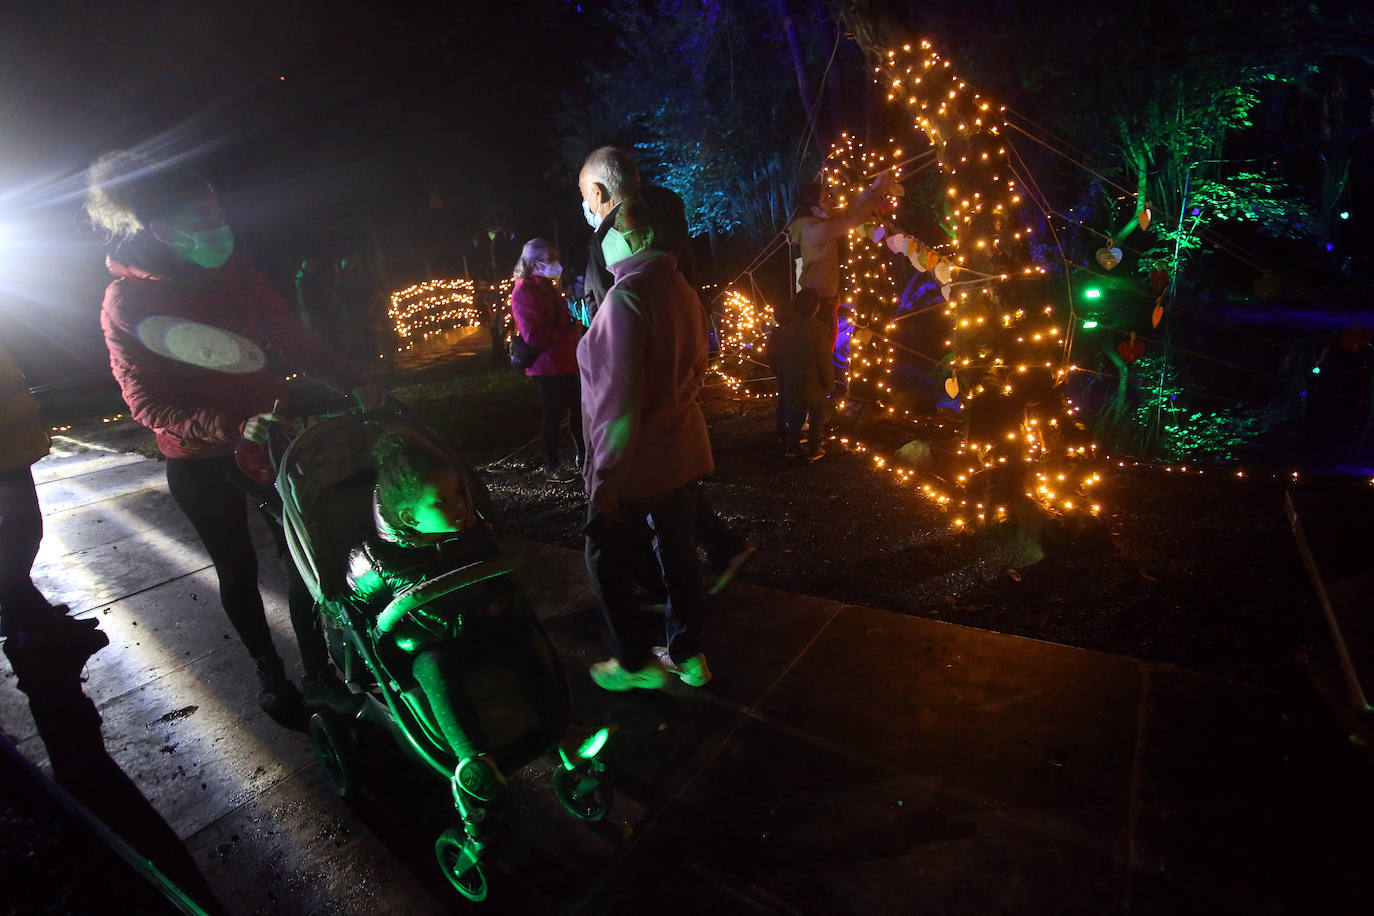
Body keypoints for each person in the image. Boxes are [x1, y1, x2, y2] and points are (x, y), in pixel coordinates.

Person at [85, 150, 374, 717]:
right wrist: (230, 425)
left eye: (217, 213)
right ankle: (271, 675)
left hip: (268, 440)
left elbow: (289, 332)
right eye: (201, 219)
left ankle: (319, 671)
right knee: (237, 567)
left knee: (306, 559)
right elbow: (145, 400)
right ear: (160, 228)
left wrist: (354, 380)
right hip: (201, 458)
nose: (218, 228)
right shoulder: (128, 300)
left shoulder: (234, 270)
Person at [579, 147, 755, 592]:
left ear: (597, 192)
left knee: (616, 550)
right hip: (678, 433)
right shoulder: (672, 262)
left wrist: (602, 478)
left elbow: (618, 388)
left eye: (584, 194)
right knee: (675, 545)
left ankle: (643, 642)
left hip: (642, 442)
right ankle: (685, 646)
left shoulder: (624, 277)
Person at [577, 193, 714, 691]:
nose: (609, 230)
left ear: (645, 234)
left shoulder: (627, 297)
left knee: (604, 556)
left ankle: (633, 663)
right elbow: (697, 370)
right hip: (682, 449)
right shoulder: (680, 288)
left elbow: (617, 404)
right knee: (677, 555)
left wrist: (604, 480)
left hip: (636, 461)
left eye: (620, 222)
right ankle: (688, 653)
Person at [344, 431, 520, 802]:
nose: (459, 505)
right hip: (426, 643)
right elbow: (360, 607)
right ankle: (473, 758)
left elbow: (497, 573)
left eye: (458, 493)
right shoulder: (379, 560)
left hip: (477, 625)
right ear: (410, 517)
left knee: (524, 639)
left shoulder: (474, 534)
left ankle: (563, 724)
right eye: (443, 500)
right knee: (433, 667)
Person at [0, 342, 106, 650]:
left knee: (19, 535)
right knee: (21, 536)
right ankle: (37, 628)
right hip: (5, 459)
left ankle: (23, 613)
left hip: (11, 454)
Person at [508, 239, 586, 483]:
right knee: (553, 414)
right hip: (546, 365)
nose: (556, 264)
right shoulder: (524, 291)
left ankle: (583, 456)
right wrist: (568, 335)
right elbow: (534, 335)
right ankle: (552, 466)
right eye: (550, 259)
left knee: (578, 410)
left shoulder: (545, 285)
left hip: (564, 360)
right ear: (534, 264)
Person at [786, 171, 894, 346]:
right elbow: (850, 220)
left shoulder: (817, 222)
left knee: (824, 350)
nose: (831, 201)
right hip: (818, 306)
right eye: (825, 199)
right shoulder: (815, 230)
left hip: (824, 302)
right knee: (823, 351)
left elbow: (848, 211)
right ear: (815, 210)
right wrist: (877, 194)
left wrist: (873, 189)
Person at [769, 289, 834, 461]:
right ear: (816, 308)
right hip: (813, 383)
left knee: (795, 414)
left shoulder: (787, 331)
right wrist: (828, 383)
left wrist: (782, 379)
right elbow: (824, 361)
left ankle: (792, 446)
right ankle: (814, 449)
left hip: (792, 381)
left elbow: (780, 358)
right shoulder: (819, 332)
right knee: (817, 415)